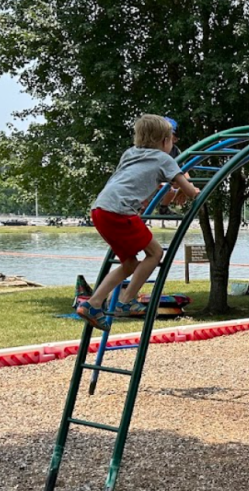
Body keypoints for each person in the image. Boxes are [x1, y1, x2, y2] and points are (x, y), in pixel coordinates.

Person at [77, 114, 200, 331]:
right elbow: (191, 191)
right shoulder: (164, 159)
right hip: (120, 211)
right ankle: (126, 301)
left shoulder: (130, 153)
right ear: (165, 141)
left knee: (129, 263)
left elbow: (130, 180)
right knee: (155, 253)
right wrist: (191, 190)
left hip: (100, 209)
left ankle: (93, 304)